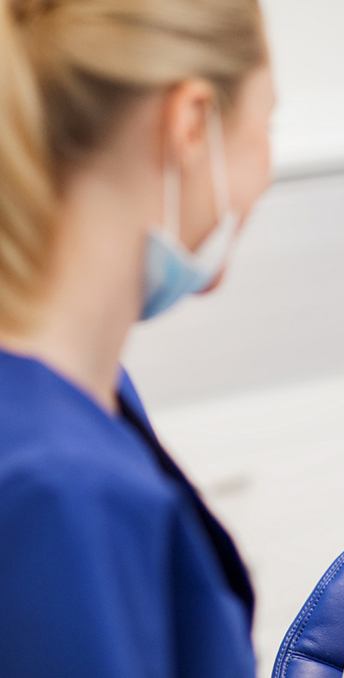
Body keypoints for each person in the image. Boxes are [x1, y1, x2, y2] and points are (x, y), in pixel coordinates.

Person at [0, 1, 275, 675]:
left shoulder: (89, 408)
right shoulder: (58, 490)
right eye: (267, 120)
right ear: (190, 124)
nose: (267, 165)